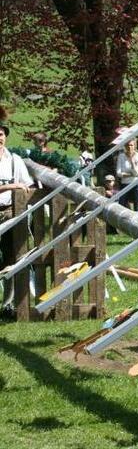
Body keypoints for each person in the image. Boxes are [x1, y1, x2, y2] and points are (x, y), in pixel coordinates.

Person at [0, 107, 34, 317]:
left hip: (10, 213)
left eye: (1, 135)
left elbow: (27, 186)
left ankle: (8, 303)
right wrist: (11, 186)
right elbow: (16, 186)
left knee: (11, 258)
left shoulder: (15, 161)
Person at [115, 139, 138, 213]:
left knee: (137, 208)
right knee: (121, 205)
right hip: (124, 184)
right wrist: (131, 174)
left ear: (134, 146)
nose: (129, 147)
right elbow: (118, 173)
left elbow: (137, 173)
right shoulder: (121, 156)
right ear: (125, 146)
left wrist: (132, 162)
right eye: (127, 145)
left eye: (131, 145)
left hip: (136, 184)